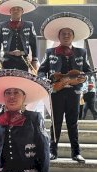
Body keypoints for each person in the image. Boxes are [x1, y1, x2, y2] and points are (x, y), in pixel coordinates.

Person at [38, 12, 93, 163]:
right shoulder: (50, 52)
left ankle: (76, 153)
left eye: (69, 33)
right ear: (59, 36)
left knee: (73, 123)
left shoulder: (81, 52)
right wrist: (45, 80)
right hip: (56, 92)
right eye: (63, 33)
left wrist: (84, 77)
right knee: (55, 123)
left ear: (73, 36)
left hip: (74, 93)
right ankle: (52, 151)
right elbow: (42, 70)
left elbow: (87, 71)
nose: (66, 35)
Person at [0, 0, 38, 71]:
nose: (16, 11)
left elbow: (34, 44)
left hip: (24, 60)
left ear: (22, 11)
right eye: (13, 9)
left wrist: (34, 60)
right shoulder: (2, 25)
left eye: (18, 9)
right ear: (10, 11)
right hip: (7, 59)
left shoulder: (29, 25)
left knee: (23, 80)